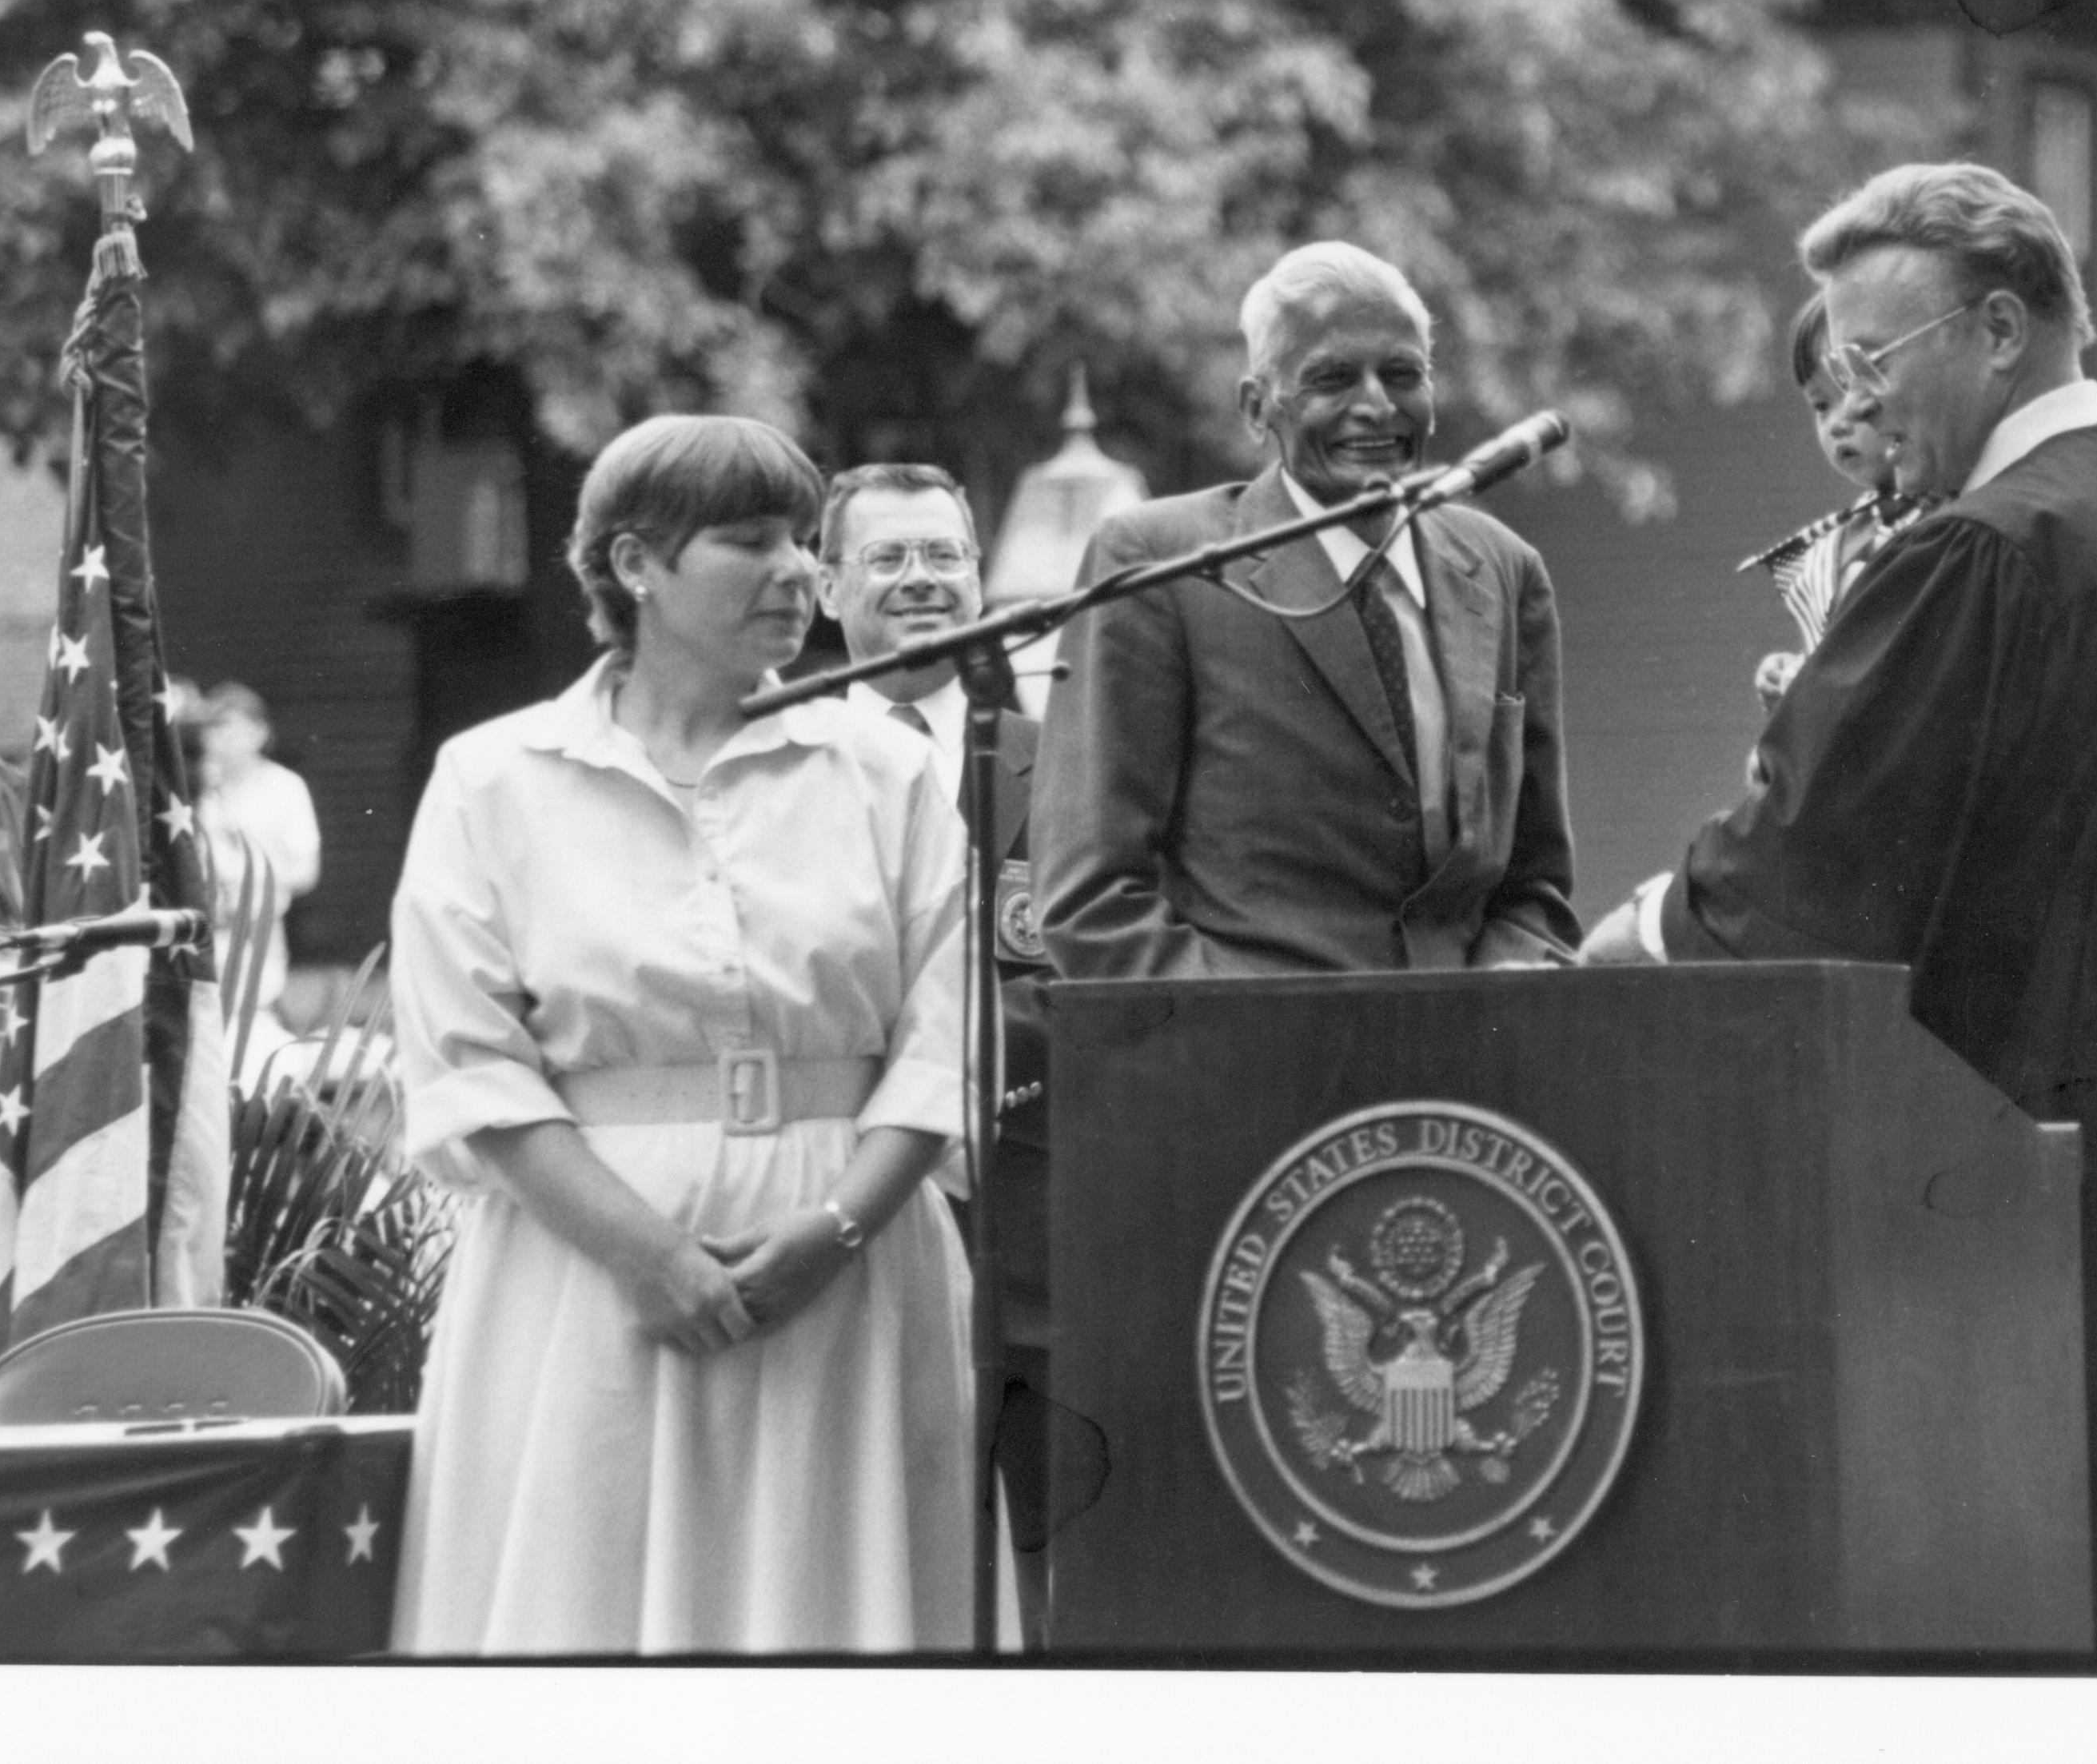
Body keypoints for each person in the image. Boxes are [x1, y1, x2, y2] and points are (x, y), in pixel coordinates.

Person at [1581, 160, 2097, 1662]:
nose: (1860, 405)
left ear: (2001, 329)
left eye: (1876, 358)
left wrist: (1618, 941)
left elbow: (1801, 884)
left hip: (1970, 1206)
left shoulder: (1982, 548)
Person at [388, 415, 998, 1654]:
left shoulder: (886, 772)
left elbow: (950, 1037)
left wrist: (831, 1233)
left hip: (851, 1265)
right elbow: (472, 1060)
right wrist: (655, 1258)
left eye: (803, 544)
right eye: (751, 541)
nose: (799, 573)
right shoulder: (493, 779)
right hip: (586, 1280)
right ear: (634, 564)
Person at [1033, 241, 1579, 977]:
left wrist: (1513, 980)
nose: (1377, 405)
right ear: (1258, 408)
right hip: (1254, 1064)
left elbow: (1536, 886)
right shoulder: (1160, 563)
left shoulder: (1505, 570)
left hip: (1469, 1065)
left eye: (1402, 374)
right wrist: (1260, 1034)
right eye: (1331, 378)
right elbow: (1089, 900)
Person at [815, 460, 1066, 1627]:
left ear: (980, 573)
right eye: (887, 557)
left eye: (944, 555)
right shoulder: (782, 765)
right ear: (826, 586)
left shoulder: (1065, 758)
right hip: (855, 1204)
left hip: (1038, 1208)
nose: (921, 579)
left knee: (1049, 1547)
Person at [1738, 291, 1924, 715]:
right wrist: (1792, 676)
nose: (1839, 421)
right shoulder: (1848, 536)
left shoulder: (1946, 519)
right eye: (1821, 405)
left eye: (1851, 391)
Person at [185, 680, 321, 1058]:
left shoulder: (285, 787)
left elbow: (306, 871)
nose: (222, 738)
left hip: (256, 931)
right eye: (214, 728)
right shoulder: (195, 788)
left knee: (251, 1027)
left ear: (260, 732)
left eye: (232, 726)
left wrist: (248, 876)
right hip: (202, 930)